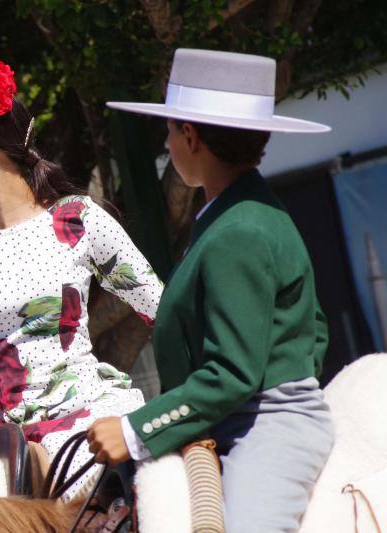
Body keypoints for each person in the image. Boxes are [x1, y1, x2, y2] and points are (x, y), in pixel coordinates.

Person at [88, 48, 333, 531]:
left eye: (170, 129)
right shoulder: (239, 213)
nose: (167, 140)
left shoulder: (237, 229)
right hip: (238, 416)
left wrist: (137, 430)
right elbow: (316, 332)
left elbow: (232, 374)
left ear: (191, 136)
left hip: (267, 427)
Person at [0, 58, 162, 499]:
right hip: (5, 453)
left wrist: (194, 405)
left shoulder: (77, 219)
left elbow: (164, 310)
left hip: (94, 424)